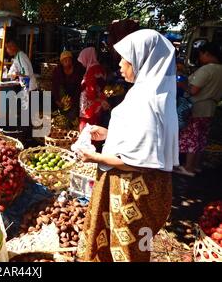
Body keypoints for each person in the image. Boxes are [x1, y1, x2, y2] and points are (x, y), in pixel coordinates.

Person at [75, 29, 178, 262]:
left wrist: (95, 158)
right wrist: (110, 134)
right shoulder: (147, 93)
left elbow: (140, 161)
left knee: (127, 252)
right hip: (128, 188)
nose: (120, 64)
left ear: (143, 60)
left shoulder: (148, 101)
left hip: (133, 193)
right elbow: (144, 141)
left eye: (126, 58)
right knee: (114, 246)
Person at [177, 42, 222, 176]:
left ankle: (188, 167)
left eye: (201, 54)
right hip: (210, 108)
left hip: (197, 107)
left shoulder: (207, 69)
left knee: (192, 137)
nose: (200, 57)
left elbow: (193, 90)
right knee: (201, 138)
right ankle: (195, 165)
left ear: (207, 54)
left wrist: (182, 82)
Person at [77, 47, 109, 131]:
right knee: (96, 126)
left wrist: (94, 99)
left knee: (87, 129)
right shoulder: (100, 69)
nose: (82, 63)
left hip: (90, 105)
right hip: (98, 104)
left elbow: (90, 91)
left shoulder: (91, 70)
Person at [52, 51, 85, 119]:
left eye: (68, 59)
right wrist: (57, 100)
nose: (67, 61)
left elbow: (80, 86)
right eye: (64, 60)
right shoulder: (58, 70)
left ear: (72, 60)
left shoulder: (78, 69)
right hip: (63, 96)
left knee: (72, 116)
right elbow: (55, 86)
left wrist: (73, 101)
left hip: (75, 94)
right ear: (61, 62)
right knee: (62, 115)